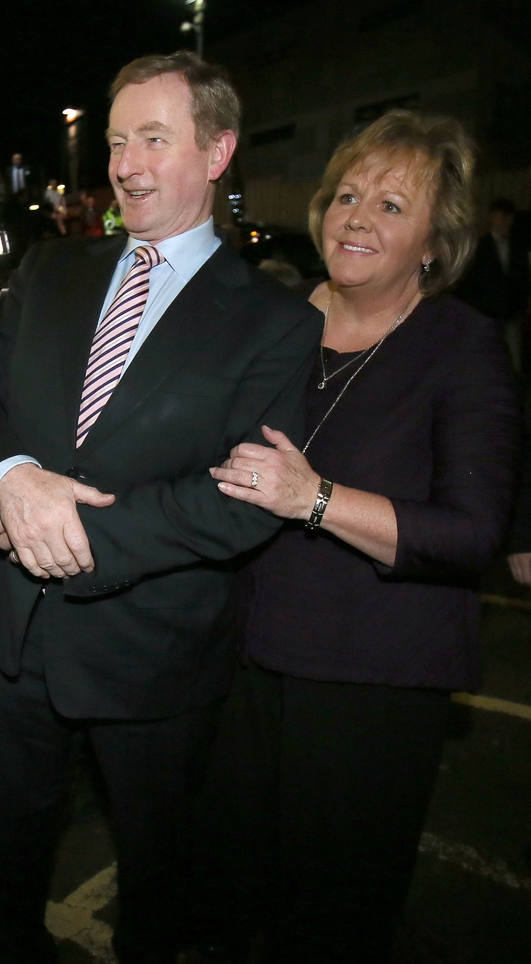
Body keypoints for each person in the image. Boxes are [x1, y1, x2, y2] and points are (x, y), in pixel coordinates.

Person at [0, 51, 319, 964]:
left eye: (154, 137)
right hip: (15, 639)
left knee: (158, 875)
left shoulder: (274, 321)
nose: (126, 162)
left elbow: (241, 499)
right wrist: (13, 480)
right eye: (116, 140)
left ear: (219, 150)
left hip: (152, 653)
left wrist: (60, 532)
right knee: (6, 857)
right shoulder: (51, 272)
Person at [202, 110, 520, 963]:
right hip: (244, 663)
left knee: (332, 916)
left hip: (371, 682)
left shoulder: (462, 346)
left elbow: (470, 530)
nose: (356, 217)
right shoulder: (274, 322)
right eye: (348, 195)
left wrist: (316, 499)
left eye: (389, 205)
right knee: (233, 896)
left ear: (433, 241)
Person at [457, 198, 531, 371]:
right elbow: (471, 282)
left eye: (508, 217)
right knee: (488, 356)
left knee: (513, 359)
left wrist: (524, 302)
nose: (505, 221)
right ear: (492, 217)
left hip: (511, 312)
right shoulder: (479, 246)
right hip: (487, 312)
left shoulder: (517, 246)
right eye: (501, 216)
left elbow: (522, 277)